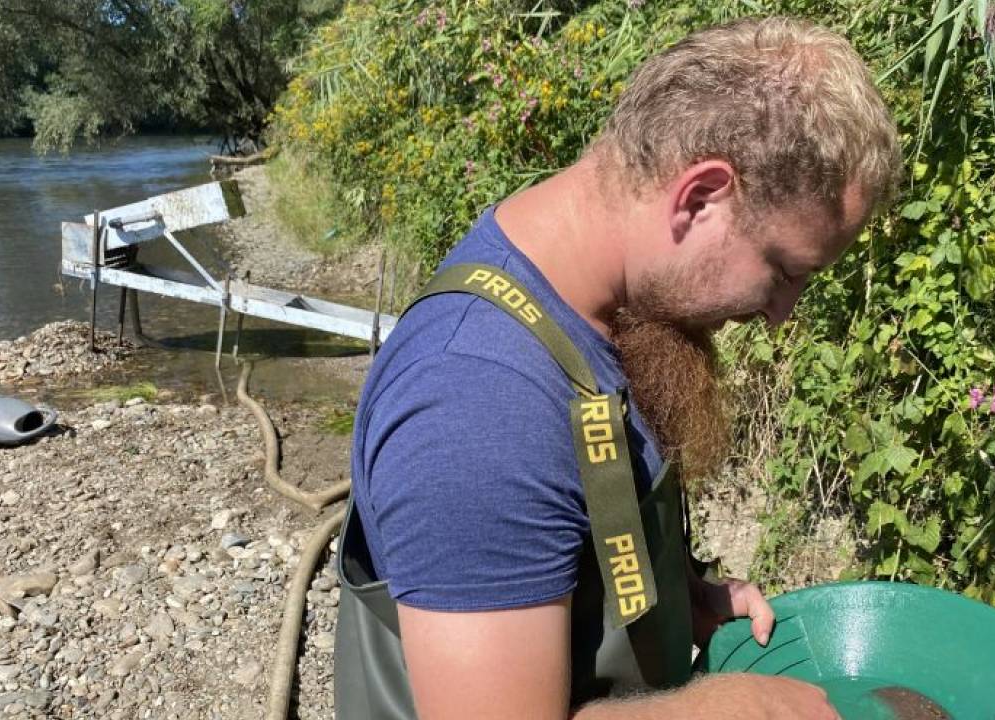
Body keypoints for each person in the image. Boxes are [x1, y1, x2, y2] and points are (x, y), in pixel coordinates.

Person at [333, 16, 899, 720]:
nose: (782, 314)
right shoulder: (473, 404)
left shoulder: (610, 302)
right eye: (784, 271)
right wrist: (737, 708)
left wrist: (673, 599)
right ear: (699, 198)